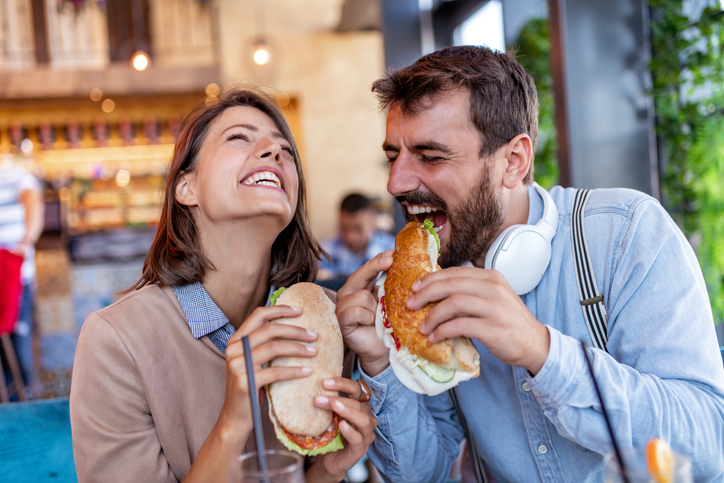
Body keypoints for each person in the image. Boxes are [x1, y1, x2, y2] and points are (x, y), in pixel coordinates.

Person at [336, 46, 724, 482]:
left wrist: (543, 351)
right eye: (394, 157)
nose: (396, 183)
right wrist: (378, 363)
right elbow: (431, 473)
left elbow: (710, 442)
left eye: (430, 156)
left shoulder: (626, 233)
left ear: (513, 162)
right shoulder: (423, 286)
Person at [70, 89, 377, 482]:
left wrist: (328, 470)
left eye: (285, 147)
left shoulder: (327, 322)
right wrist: (232, 422)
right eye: (239, 137)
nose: (274, 151)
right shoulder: (116, 342)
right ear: (186, 187)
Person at [0, 155, 44, 399]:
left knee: (19, 345)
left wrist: (27, 239)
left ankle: (25, 401)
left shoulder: (12, 174)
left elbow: (32, 200)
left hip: (14, 280)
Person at [318, 193, 395, 283]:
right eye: (344, 229)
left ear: (373, 220)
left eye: (358, 229)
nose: (351, 237)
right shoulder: (325, 251)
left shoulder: (393, 250)